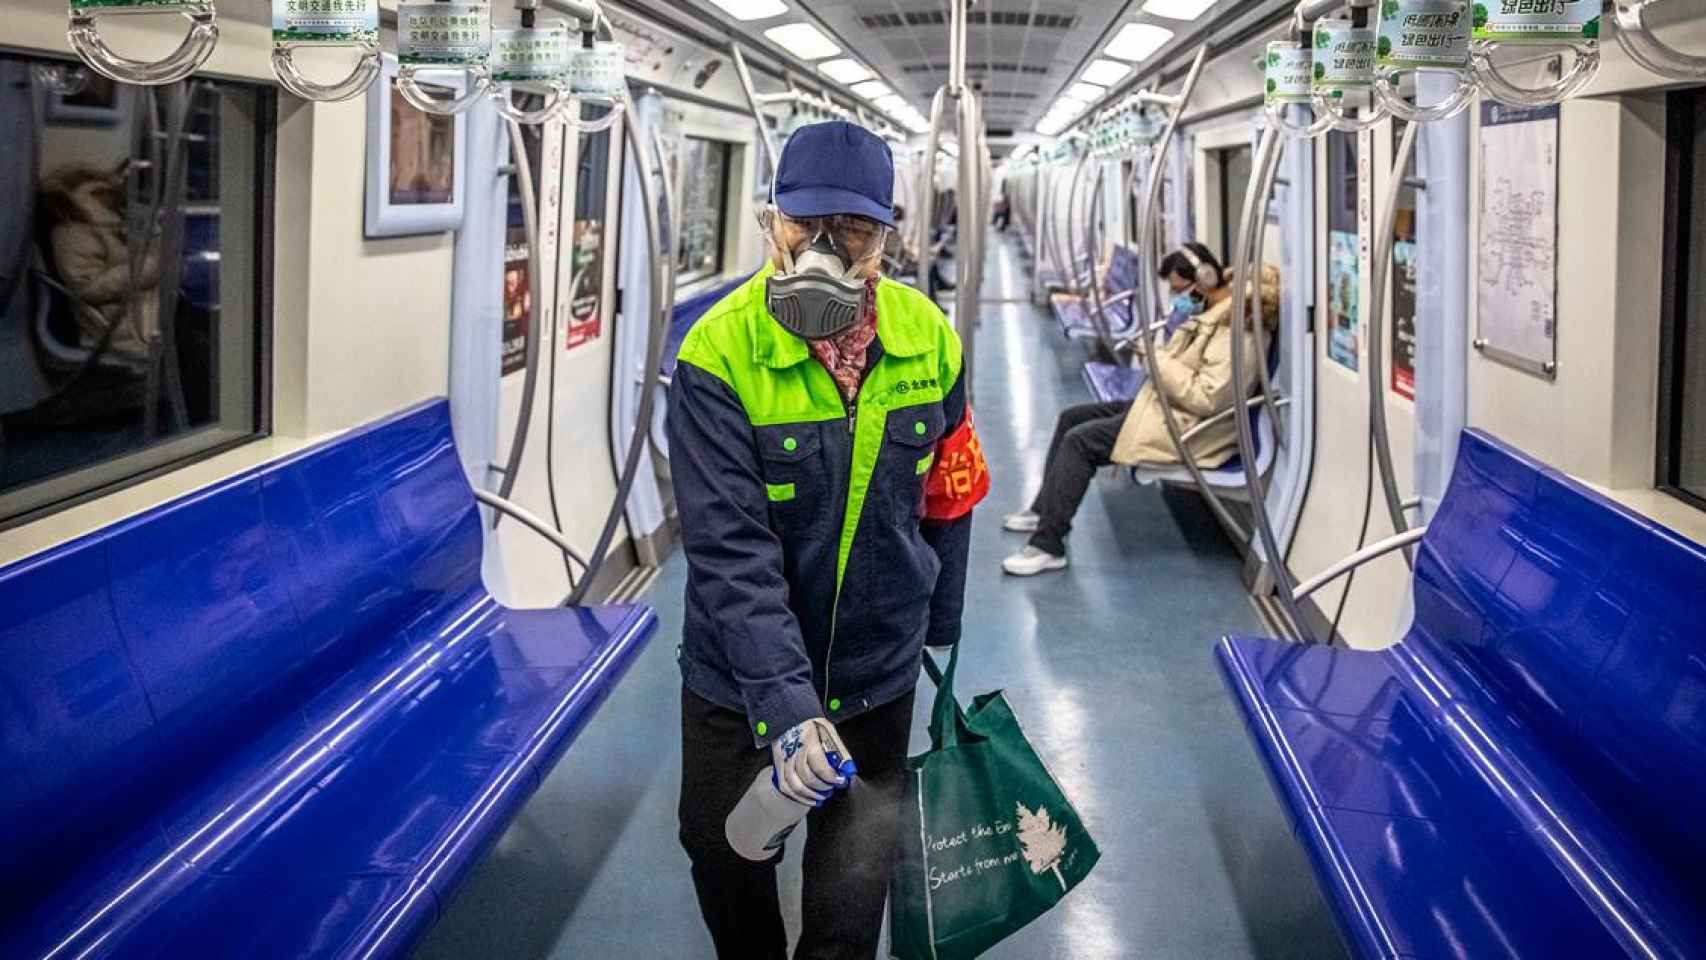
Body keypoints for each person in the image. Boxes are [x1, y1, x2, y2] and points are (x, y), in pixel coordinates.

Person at [668, 120, 989, 960]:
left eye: (853, 228)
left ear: (887, 235)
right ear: (772, 221)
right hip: (739, 680)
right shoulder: (717, 353)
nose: (825, 247)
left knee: (850, 904)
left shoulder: (930, 339)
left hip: (875, 672)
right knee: (723, 853)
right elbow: (730, 554)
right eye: (805, 223)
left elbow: (949, 497)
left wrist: (938, 631)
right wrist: (784, 706)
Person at [1000, 242, 1280, 576]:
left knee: (1081, 441)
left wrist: (1156, 358)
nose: (1180, 298)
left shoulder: (1240, 333)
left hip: (1188, 428)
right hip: (1168, 410)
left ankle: (1049, 545)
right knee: (1071, 418)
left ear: (1205, 279)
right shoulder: (1216, 316)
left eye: (1182, 290)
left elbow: (1206, 399)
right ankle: (1045, 509)